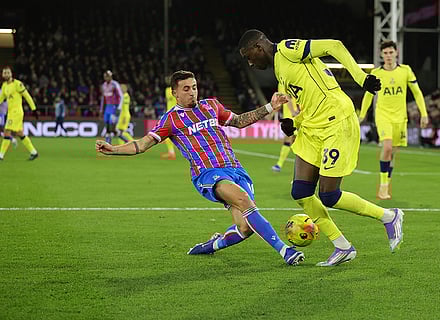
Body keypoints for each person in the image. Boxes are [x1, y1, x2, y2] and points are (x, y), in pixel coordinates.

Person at [95, 70, 305, 266]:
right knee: (243, 200)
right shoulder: (171, 119)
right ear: (174, 92)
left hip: (235, 168)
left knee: (245, 228)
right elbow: (141, 145)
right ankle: (285, 250)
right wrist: (113, 149)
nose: (192, 92)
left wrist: (270, 106)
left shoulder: (211, 106)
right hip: (208, 174)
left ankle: (209, 246)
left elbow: (239, 121)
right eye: (186, 89)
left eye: (194, 87)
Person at [238, 29, 404, 267]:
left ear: (258, 47)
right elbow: (311, 101)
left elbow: (334, 45)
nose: (250, 63)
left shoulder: (288, 49)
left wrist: (362, 78)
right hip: (312, 128)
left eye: (249, 56)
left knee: (329, 195)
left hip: (336, 122)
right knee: (301, 192)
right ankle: (342, 246)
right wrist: (293, 122)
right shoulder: (281, 74)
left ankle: (389, 216)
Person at [359, 40, 429, 200]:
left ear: (396, 53)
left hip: (400, 117)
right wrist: (362, 115)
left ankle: (386, 183)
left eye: (391, 52)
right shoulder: (376, 73)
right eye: (385, 53)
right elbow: (368, 95)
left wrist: (423, 113)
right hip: (383, 115)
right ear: (381, 55)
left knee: (393, 152)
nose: (388, 56)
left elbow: (417, 93)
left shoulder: (406, 71)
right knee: (388, 147)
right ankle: (383, 187)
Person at [0, 66, 38, 161]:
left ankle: (1, 155)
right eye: (4, 73)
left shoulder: (17, 84)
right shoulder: (4, 86)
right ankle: (33, 152)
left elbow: (27, 96)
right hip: (10, 113)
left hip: (17, 112)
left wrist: (34, 109)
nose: (6, 74)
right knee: (20, 133)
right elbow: (1, 98)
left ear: (11, 74)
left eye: (8, 72)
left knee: (7, 131)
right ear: (2, 75)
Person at [271, 82, 299, 172]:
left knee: (289, 140)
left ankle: (279, 164)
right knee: (293, 141)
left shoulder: (284, 83)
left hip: (293, 118)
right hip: (290, 117)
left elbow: (288, 98)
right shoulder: (283, 83)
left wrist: (293, 112)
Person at [100, 70, 123, 144]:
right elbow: (103, 98)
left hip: (114, 107)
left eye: (108, 76)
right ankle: (108, 145)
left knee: (111, 127)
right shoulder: (103, 85)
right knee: (107, 127)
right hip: (107, 107)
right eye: (105, 76)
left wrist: (119, 107)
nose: (106, 78)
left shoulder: (115, 84)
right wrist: (101, 109)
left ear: (110, 76)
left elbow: (121, 96)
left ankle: (125, 140)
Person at [161, 76, 177, 160]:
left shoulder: (169, 90)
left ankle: (171, 153)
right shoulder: (174, 90)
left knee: (167, 134)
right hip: (173, 113)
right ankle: (171, 152)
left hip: (172, 114)